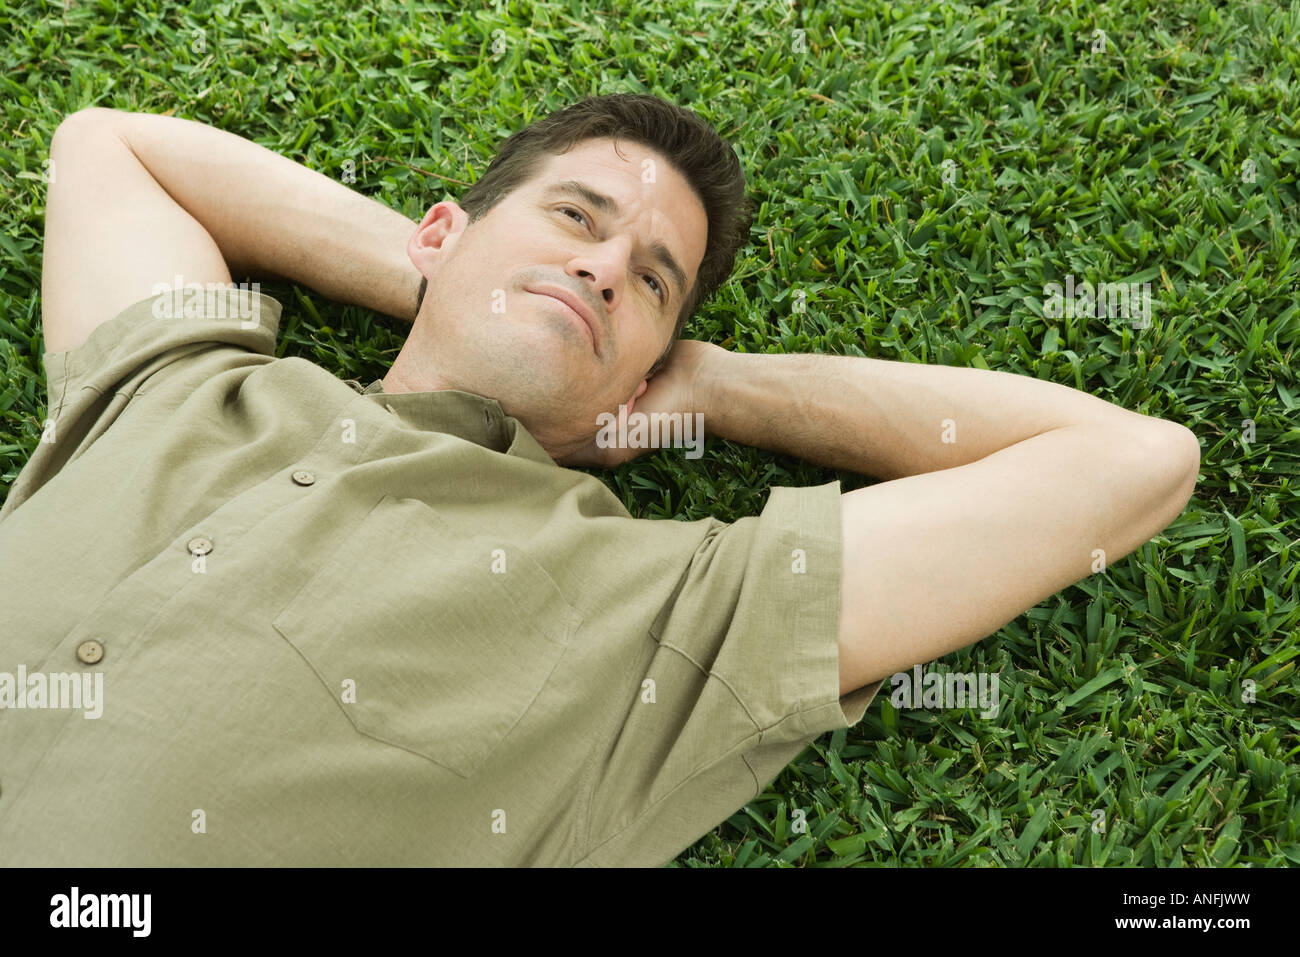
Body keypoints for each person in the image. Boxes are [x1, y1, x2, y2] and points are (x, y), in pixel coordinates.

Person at [0, 94, 1199, 867]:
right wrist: (454, 277)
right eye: (575, 217)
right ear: (440, 230)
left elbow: (1132, 461)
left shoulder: (660, 606)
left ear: (649, 371)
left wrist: (718, 389)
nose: (608, 265)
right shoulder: (183, 386)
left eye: (653, 281)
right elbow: (111, 146)